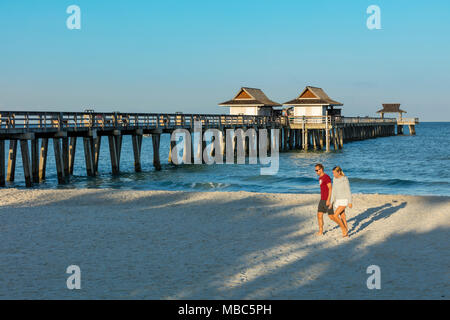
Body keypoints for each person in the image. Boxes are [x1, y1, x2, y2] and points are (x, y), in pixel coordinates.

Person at [328, 166, 352, 238]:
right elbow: (334, 191)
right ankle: (346, 233)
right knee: (343, 216)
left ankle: (343, 229)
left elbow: (348, 191)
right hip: (338, 200)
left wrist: (350, 201)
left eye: (334, 173)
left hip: (344, 200)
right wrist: (331, 202)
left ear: (338, 172)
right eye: (333, 173)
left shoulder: (344, 179)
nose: (333, 174)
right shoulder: (334, 179)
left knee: (335, 215)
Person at [315, 163, 333, 236]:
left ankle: (343, 227)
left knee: (332, 216)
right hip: (322, 199)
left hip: (327, 199)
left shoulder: (326, 177)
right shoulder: (320, 178)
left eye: (317, 170)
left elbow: (330, 188)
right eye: (315, 170)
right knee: (319, 215)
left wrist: (328, 200)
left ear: (321, 169)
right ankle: (320, 231)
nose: (316, 172)